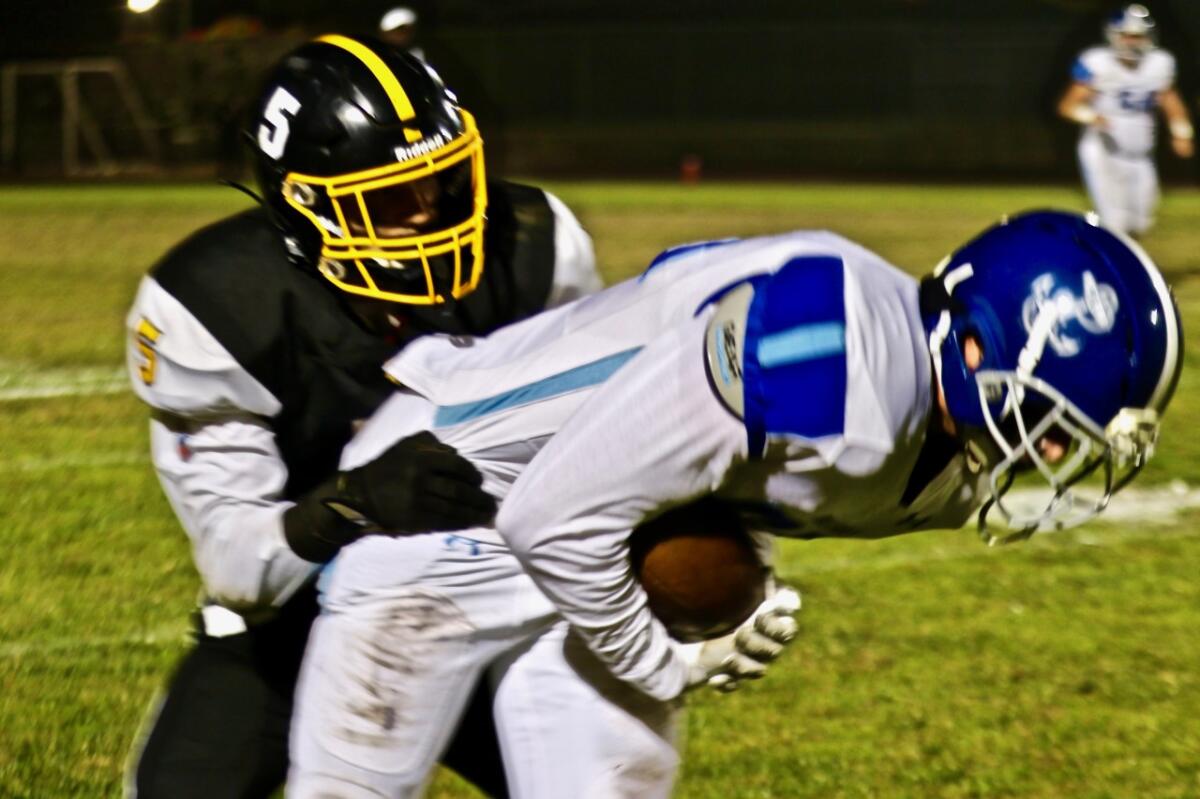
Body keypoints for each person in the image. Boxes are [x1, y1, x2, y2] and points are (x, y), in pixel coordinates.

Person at [287, 210, 1182, 797]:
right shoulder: (821, 350)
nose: (1054, 455)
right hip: (448, 504)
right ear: (977, 343)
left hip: (605, 537)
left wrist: (710, 587)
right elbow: (549, 514)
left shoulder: (939, 462)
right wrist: (669, 660)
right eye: (1054, 422)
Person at [123, 34, 602, 799]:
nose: (428, 215)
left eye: (443, 184)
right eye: (388, 198)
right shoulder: (217, 307)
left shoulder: (536, 247)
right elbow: (239, 567)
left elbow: (605, 446)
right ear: (306, 208)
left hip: (487, 596)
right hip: (293, 621)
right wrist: (351, 504)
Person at [1057, 4, 1194, 236]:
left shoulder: (1160, 63)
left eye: (1138, 36)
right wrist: (1092, 116)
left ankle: (1126, 263)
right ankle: (1109, 268)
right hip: (1102, 149)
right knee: (1114, 223)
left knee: (1141, 223)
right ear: (1114, 35)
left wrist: (1181, 133)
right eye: (1127, 35)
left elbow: (1170, 100)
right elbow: (1068, 105)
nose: (1132, 42)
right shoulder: (1097, 62)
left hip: (1140, 155)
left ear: (1149, 37)